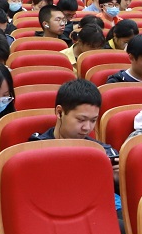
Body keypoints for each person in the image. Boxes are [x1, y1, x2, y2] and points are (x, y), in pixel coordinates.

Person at [29, 80, 121, 215]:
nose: (87, 128)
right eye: (81, 120)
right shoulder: (35, 150)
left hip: (100, 212)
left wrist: (118, 180)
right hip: (56, 214)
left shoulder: (103, 151)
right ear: (59, 112)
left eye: (93, 120)